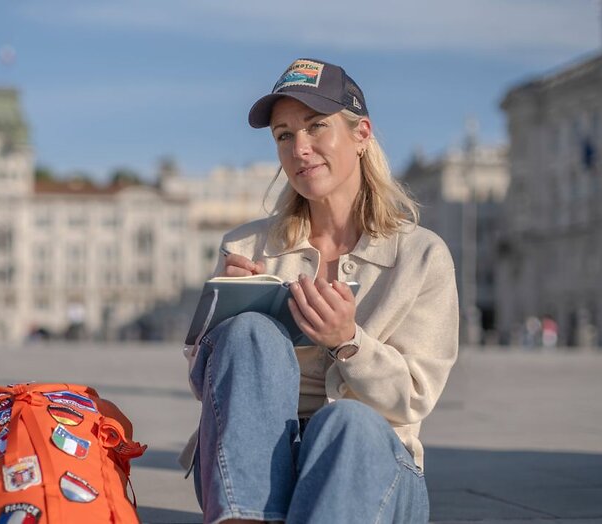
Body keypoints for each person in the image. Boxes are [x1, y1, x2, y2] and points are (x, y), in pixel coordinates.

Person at [179, 58, 459, 523]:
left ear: (361, 134)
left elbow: (414, 396)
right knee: (249, 330)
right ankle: (248, 518)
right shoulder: (246, 246)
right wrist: (222, 324)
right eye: (284, 135)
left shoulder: (422, 256)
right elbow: (202, 387)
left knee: (347, 422)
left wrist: (350, 342)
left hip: (369, 465)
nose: (300, 148)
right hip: (252, 471)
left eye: (316, 127)